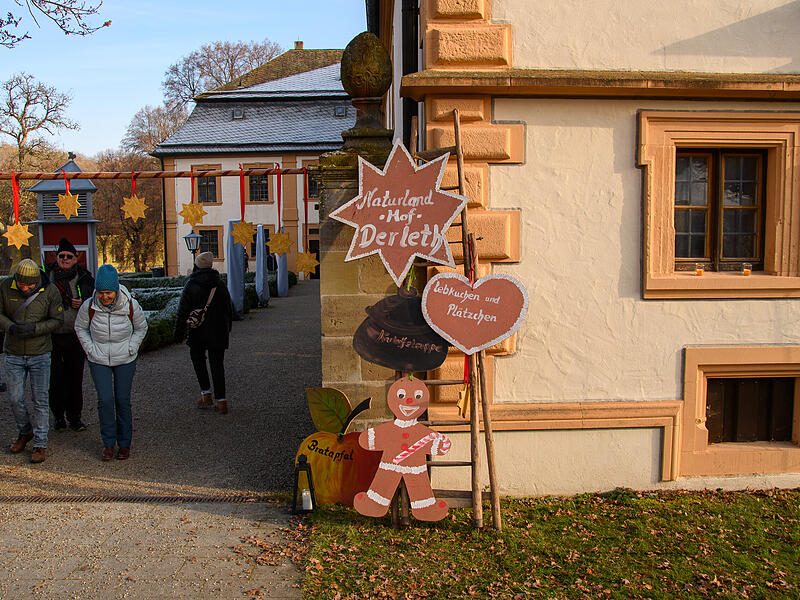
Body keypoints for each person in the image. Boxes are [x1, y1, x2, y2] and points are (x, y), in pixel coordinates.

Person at [74, 265, 147, 461]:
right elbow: (80, 328)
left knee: (122, 400)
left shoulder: (130, 305)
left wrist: (132, 347)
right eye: (101, 293)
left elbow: (141, 327)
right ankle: (108, 444)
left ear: (116, 290)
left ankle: (124, 444)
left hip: (125, 358)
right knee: (105, 400)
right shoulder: (89, 306)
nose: (104, 297)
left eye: (109, 293)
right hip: (99, 358)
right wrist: (90, 349)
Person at [0, 259, 64, 463]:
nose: (25, 288)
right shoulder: (5, 287)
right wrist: (10, 327)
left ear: (37, 281)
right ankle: (25, 431)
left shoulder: (50, 290)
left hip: (40, 353)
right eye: (22, 285)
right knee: (15, 398)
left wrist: (36, 329)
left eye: (30, 285)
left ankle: (40, 443)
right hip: (13, 351)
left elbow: (57, 320)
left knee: (40, 400)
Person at [174, 251, 233, 414]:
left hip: (197, 331)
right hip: (218, 331)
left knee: (198, 361)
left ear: (197, 265)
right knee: (217, 364)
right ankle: (221, 401)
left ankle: (206, 394)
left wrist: (178, 334)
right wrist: (227, 328)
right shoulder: (219, 284)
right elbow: (229, 308)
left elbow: (182, 311)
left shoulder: (191, 284)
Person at [45, 238, 94, 431]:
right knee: (55, 379)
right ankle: (58, 416)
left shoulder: (84, 277)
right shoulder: (46, 276)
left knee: (75, 378)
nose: (65, 259)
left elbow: (94, 301)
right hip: (53, 335)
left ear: (75, 258)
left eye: (69, 256)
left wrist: (82, 301)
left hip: (75, 335)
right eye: (61, 256)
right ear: (56, 258)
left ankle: (75, 417)